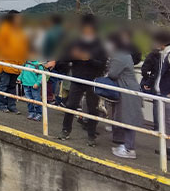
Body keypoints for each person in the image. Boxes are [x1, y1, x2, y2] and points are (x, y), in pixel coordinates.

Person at [47, 14, 107, 146]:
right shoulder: (76, 41)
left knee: (93, 109)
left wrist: (88, 58)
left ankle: (91, 136)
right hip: (77, 78)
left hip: (93, 80)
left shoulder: (99, 44)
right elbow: (65, 56)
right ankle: (65, 131)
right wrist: (75, 56)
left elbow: (102, 64)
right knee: (70, 105)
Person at [106, 31, 144, 159]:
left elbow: (112, 74)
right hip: (129, 89)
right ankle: (126, 146)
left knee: (128, 118)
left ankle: (129, 149)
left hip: (127, 91)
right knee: (126, 117)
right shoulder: (125, 55)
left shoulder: (119, 56)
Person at [0, 11, 28, 114]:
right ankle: (0, 104)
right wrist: (1, 63)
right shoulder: (4, 29)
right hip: (6, 63)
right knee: (4, 85)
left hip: (17, 65)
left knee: (12, 87)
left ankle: (11, 105)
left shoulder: (20, 31)